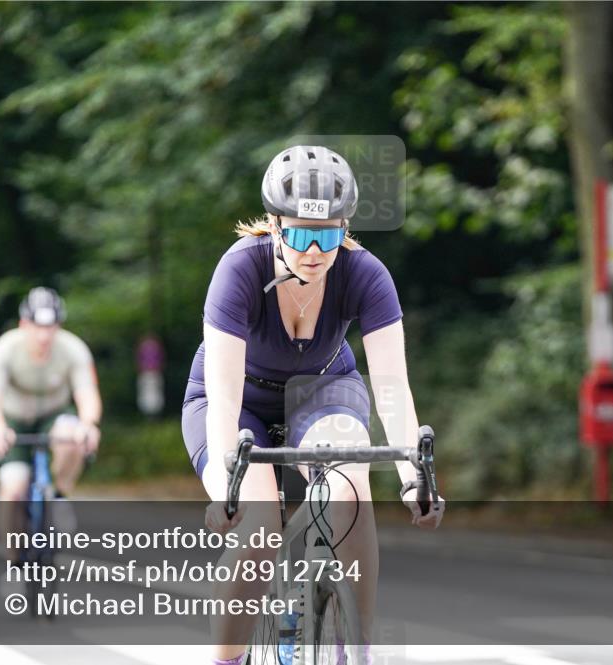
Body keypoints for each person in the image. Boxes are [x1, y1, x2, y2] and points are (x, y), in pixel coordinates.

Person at [182, 146, 445, 665]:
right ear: (275, 225)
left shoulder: (365, 274)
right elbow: (226, 395)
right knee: (259, 529)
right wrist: (228, 488)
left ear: (344, 228)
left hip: (324, 389)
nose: (314, 251)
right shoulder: (238, 271)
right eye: (301, 234)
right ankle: (225, 660)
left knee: (350, 491)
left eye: (328, 235)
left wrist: (413, 475)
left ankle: (357, 649)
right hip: (238, 402)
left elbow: (392, 385)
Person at [0, 287, 102, 563]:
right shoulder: (4, 349)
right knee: (13, 490)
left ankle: (59, 496)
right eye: (37, 327)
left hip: (53, 416)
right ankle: (13, 562)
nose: (44, 335)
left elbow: (87, 395)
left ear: (58, 326)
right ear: (24, 324)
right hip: (14, 420)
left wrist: (89, 424)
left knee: (72, 437)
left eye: (51, 327)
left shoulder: (73, 349)